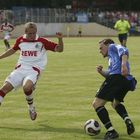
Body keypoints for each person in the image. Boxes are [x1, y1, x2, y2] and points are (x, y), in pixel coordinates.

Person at [0, 22, 64, 121]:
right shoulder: (20, 40)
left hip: (33, 70)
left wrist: (60, 39)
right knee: (3, 89)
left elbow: (59, 50)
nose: (32, 35)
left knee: (27, 87)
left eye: (34, 33)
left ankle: (31, 108)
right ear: (25, 32)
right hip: (20, 69)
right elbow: (13, 50)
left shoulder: (42, 41)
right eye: (30, 33)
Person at [92, 39, 137, 140]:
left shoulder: (112, 46)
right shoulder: (111, 58)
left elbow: (124, 49)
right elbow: (110, 74)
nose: (100, 51)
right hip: (126, 81)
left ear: (108, 45)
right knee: (115, 103)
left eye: (101, 48)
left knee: (97, 104)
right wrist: (101, 72)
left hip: (117, 78)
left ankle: (111, 131)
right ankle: (127, 120)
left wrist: (124, 65)